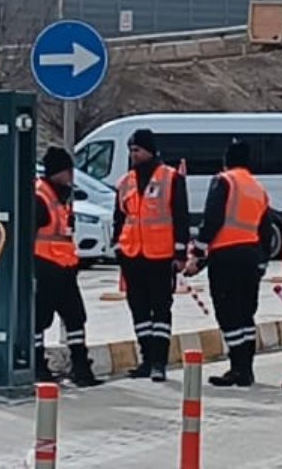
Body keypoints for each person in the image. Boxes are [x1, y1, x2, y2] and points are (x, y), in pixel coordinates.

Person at [112, 128, 189, 381]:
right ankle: (146, 358)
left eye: (138, 150)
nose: (134, 155)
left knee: (161, 308)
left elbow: (180, 216)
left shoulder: (171, 178)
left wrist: (180, 252)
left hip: (161, 254)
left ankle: (159, 362)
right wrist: (117, 247)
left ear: (150, 150)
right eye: (131, 150)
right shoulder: (126, 182)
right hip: (132, 254)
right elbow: (119, 217)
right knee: (139, 308)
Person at [192, 138, 269, 387]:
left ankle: (238, 368)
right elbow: (266, 229)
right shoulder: (257, 188)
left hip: (225, 256)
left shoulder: (224, 181)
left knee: (228, 314)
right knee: (246, 314)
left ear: (227, 161)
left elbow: (212, 219)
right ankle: (246, 368)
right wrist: (262, 262)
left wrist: (199, 252)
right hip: (250, 256)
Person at [34, 146, 102, 387]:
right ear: (57, 172)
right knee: (39, 320)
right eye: (67, 170)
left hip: (63, 268)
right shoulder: (41, 197)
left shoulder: (59, 196)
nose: (72, 175)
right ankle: (38, 367)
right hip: (44, 267)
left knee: (75, 318)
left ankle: (81, 367)